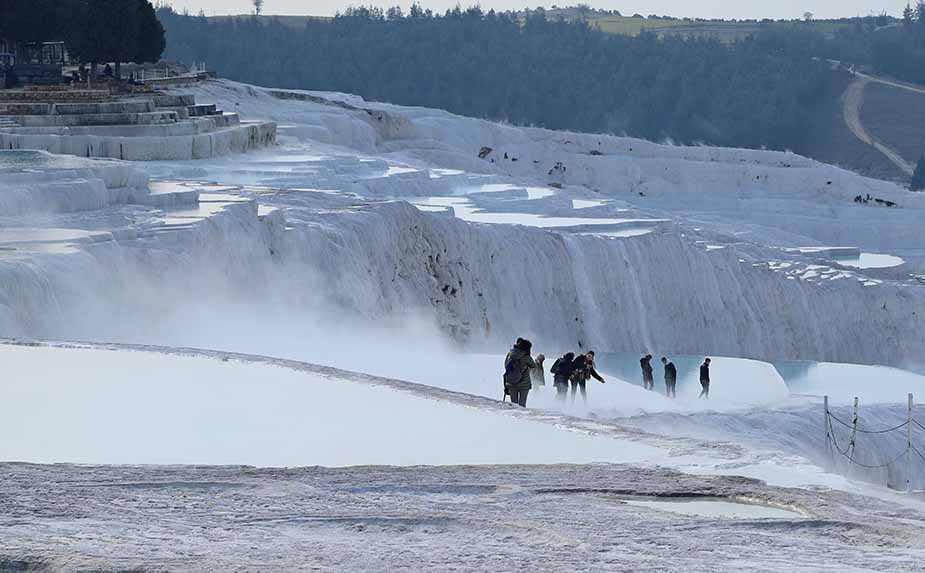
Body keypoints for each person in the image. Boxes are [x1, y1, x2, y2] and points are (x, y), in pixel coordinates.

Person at [503, 338, 536, 407]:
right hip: (524, 384)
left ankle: (512, 417)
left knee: (514, 405)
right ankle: (521, 417)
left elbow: (506, 366)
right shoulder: (526, 356)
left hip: (511, 382)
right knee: (522, 406)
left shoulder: (510, 354)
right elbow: (533, 366)